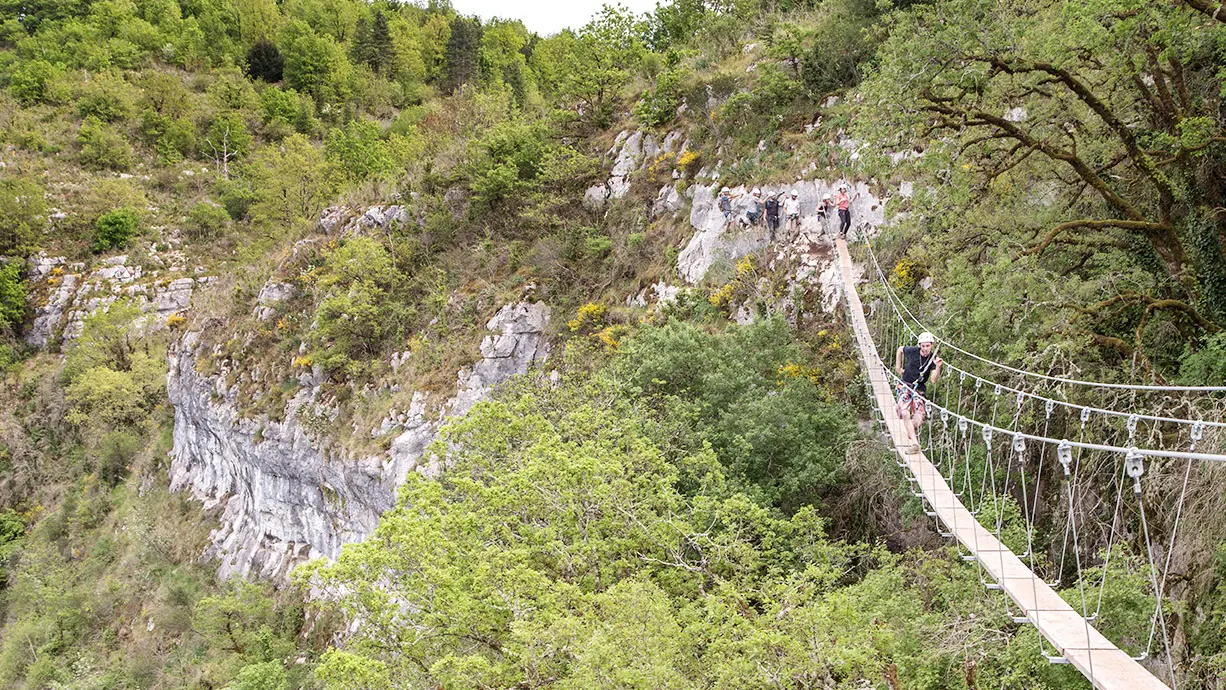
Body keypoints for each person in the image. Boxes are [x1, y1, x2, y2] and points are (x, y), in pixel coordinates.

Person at [894, 332, 943, 450]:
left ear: (932, 345)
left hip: (919, 389)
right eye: (923, 346)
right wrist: (898, 368)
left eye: (928, 346)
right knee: (905, 412)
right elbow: (900, 349)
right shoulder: (913, 351)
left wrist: (938, 367)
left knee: (919, 420)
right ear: (920, 345)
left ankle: (910, 427)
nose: (925, 349)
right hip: (905, 385)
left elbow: (933, 380)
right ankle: (915, 444)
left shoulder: (933, 359)